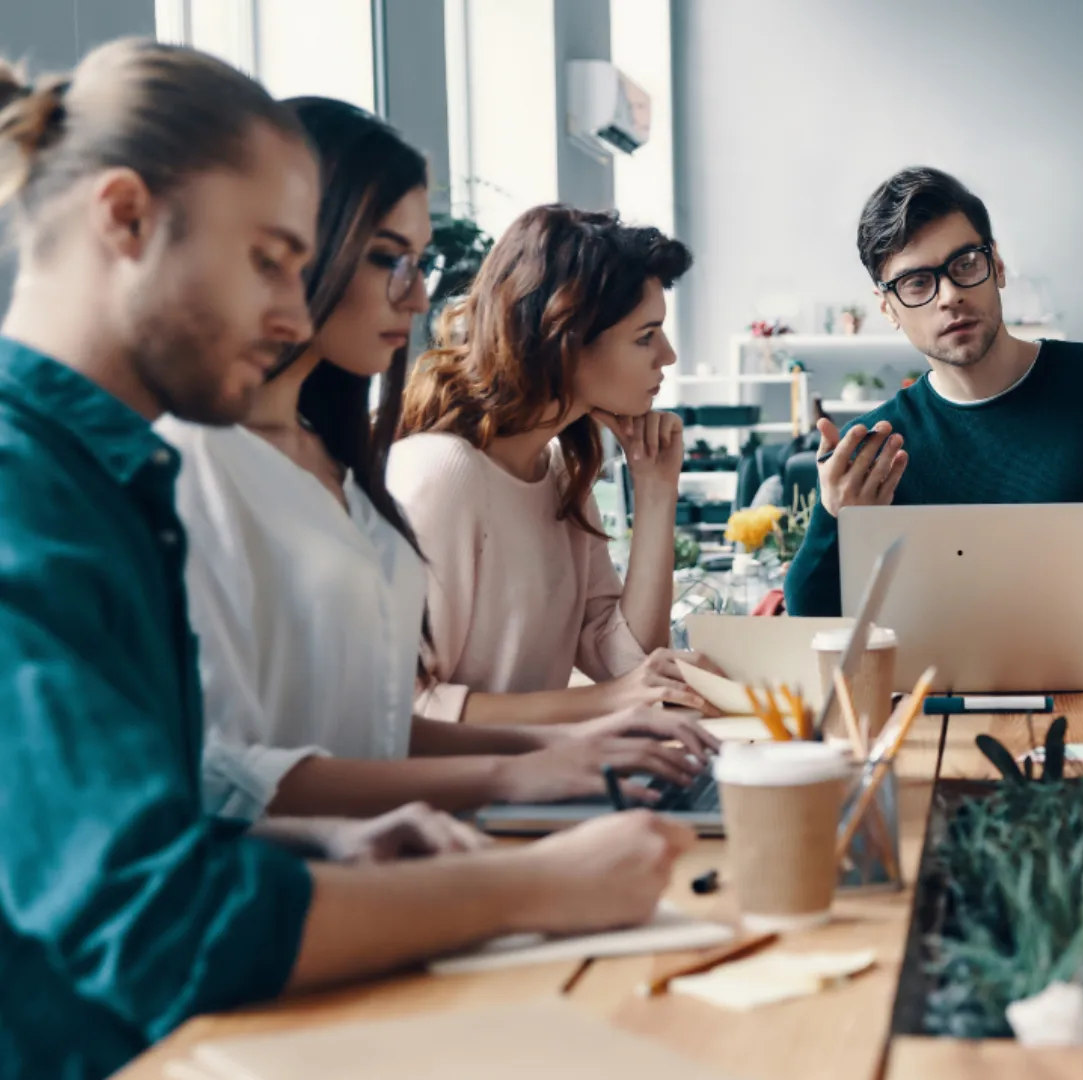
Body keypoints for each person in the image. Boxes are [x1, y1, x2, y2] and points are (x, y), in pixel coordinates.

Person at [0, 42, 690, 1080]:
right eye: (271, 260)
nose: (290, 311)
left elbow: (170, 811)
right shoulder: (31, 497)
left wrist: (327, 848)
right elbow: (153, 921)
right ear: (127, 218)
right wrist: (537, 885)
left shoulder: (107, 476)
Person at [161, 99, 712, 822]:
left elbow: (369, 733)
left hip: (397, 838)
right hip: (373, 849)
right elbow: (243, 769)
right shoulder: (424, 471)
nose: (421, 295)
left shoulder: (349, 467)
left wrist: (656, 492)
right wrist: (554, 750)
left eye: (416, 262)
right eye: (391, 260)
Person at [782, 167, 1083, 653]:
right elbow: (812, 620)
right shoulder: (878, 446)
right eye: (916, 282)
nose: (950, 296)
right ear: (887, 307)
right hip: (936, 712)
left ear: (999, 266)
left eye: (965, 263)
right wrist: (834, 515)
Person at [393, 205, 714, 726]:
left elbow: (627, 665)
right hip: (456, 798)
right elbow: (407, 708)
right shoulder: (444, 473)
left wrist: (656, 491)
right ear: (565, 341)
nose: (669, 355)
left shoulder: (561, 472)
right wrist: (610, 700)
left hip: (533, 784)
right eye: (645, 336)